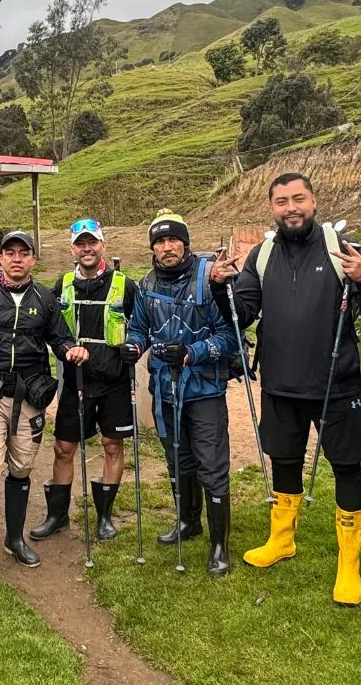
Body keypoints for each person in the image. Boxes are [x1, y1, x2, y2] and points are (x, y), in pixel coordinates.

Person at [211, 172, 361, 605]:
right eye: (282, 201)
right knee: (284, 461)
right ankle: (282, 539)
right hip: (280, 383)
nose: (291, 208)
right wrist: (220, 288)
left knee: (347, 466)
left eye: (298, 199)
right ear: (272, 208)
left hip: (336, 384)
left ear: (314, 202)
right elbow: (242, 313)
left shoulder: (343, 249)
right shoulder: (262, 254)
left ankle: (348, 563)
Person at [0, 230, 88, 582]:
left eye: (24, 253)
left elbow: (60, 339)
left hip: (30, 397)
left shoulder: (46, 298)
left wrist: (71, 349)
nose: (16, 259)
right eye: (9, 253)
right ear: (1, 258)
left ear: (33, 259)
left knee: (22, 468)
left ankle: (15, 539)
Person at [122, 210, 238, 575]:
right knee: (177, 457)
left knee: (211, 463)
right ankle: (188, 521)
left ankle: (219, 545)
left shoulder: (207, 279)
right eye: (160, 242)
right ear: (153, 248)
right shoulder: (146, 285)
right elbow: (139, 328)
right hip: (165, 387)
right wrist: (133, 345)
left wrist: (191, 352)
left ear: (185, 243)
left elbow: (230, 336)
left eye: (174, 240)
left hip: (204, 388)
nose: (167, 247)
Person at [30, 219, 138, 545]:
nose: (87, 249)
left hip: (115, 380)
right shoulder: (61, 285)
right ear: (72, 249)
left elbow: (142, 326)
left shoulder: (125, 285)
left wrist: (135, 346)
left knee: (112, 445)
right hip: (75, 379)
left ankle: (104, 517)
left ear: (103, 245)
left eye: (92, 242)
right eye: (80, 243)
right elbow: (48, 327)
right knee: (64, 448)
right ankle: (58, 515)